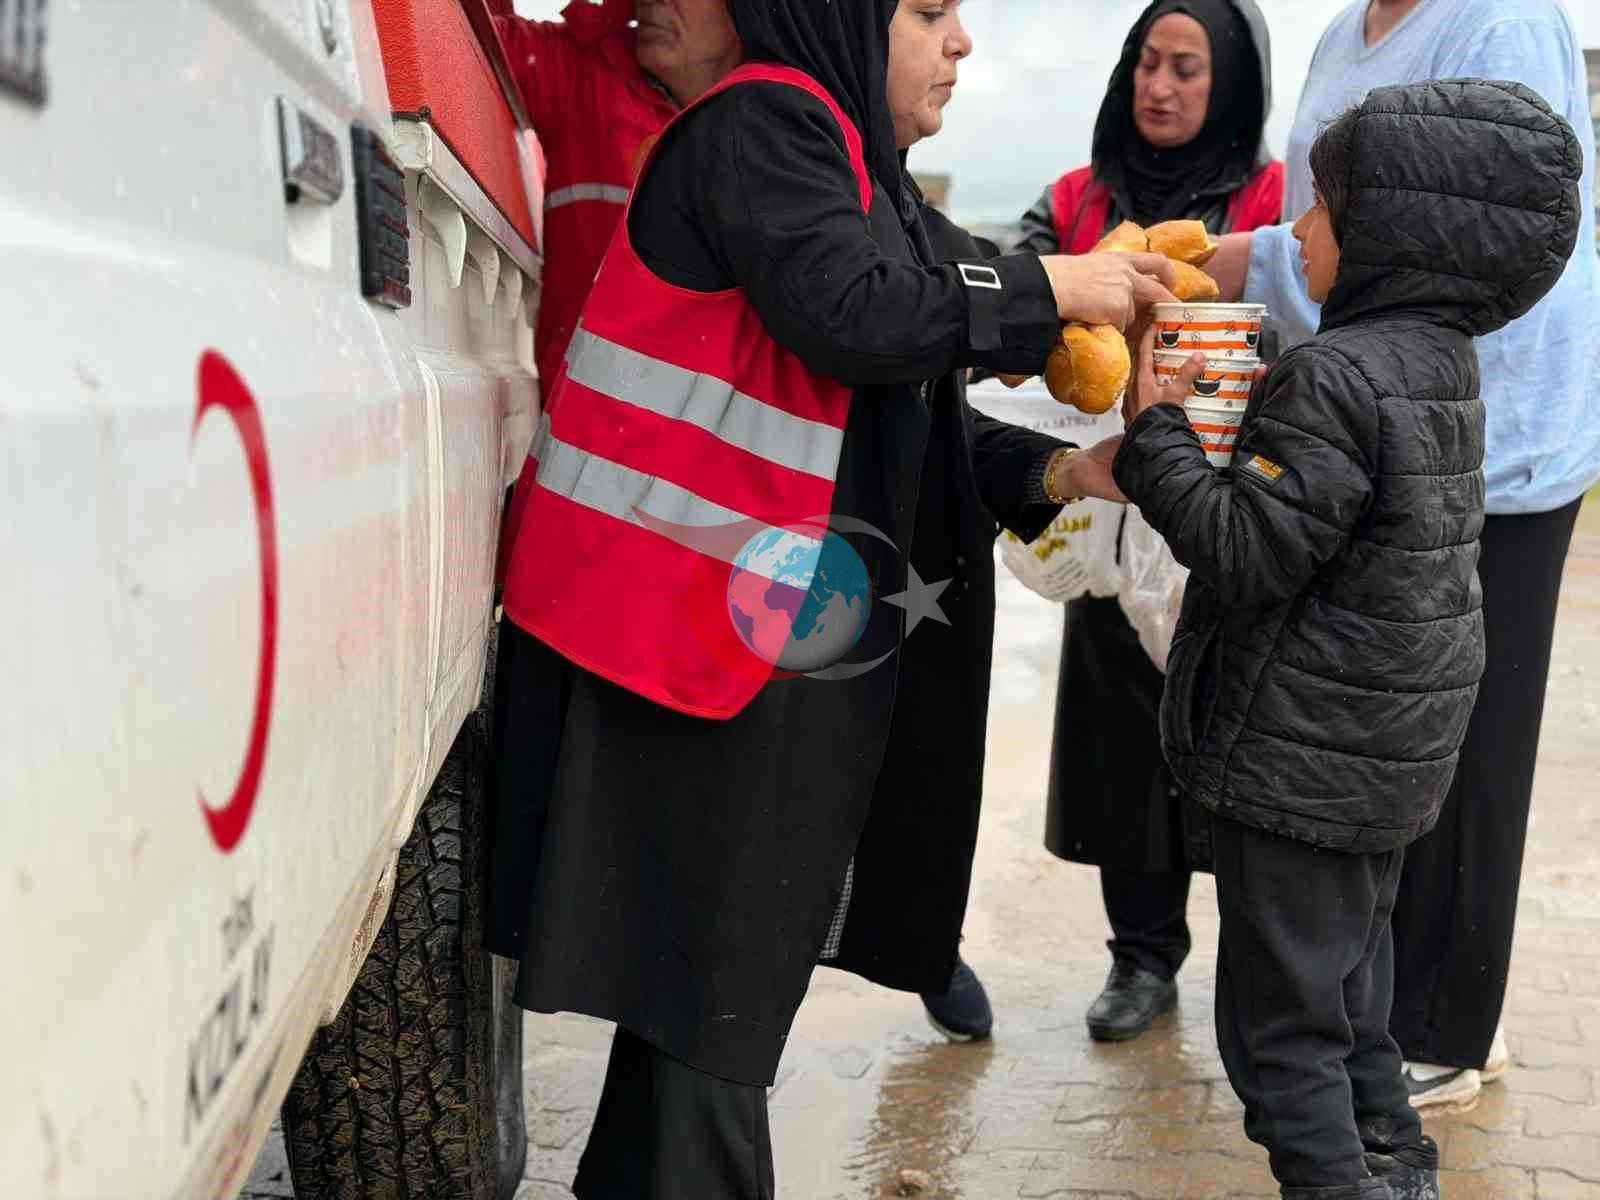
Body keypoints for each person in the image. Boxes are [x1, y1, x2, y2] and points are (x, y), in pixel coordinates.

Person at [488, 0, 1178, 1192]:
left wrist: (1071, 470)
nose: (958, 45)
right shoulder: (767, 126)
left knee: (697, 1020)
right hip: (674, 641)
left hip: (726, 639)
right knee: (711, 1007)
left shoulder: (858, 165)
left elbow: (903, 407)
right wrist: (1054, 284)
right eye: (924, 12)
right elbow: (856, 317)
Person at [1116, 80, 1582, 1200]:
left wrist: (1157, 435)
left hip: (1301, 761)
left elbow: (1244, 548)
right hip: (1382, 756)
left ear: (1394, 232)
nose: (1298, 233)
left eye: (1320, 209)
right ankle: (1399, 1169)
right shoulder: (1437, 363)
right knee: (1353, 997)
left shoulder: (1333, 375)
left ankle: (1335, 1183)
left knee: (1281, 1042)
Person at [1203, 0, 1600, 1114]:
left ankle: (1448, 1024)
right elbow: (1326, 215)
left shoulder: (1499, 21)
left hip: (1490, 427)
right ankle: (1371, 996)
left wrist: (1242, 262)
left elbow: (1495, 229)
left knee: (1461, 737)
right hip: (1379, 415)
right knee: (1371, 717)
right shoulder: (1344, 36)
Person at [1014, 0, 1284, 1045]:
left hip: (1231, 516)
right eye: (1144, 63)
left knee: (1245, 734)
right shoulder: (1074, 201)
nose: (1157, 87)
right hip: (1112, 505)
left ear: (1232, 88)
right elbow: (1014, 320)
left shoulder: (1269, 200)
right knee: (1123, 741)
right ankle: (1140, 957)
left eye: (1185, 70)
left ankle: (1264, 971)